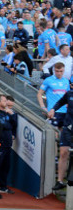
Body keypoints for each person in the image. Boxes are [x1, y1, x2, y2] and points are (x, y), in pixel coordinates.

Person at [40, 63, 70, 191]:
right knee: (54, 135)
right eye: (57, 71)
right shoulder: (48, 80)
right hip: (53, 111)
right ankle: (54, 159)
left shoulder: (66, 81)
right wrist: (43, 107)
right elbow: (39, 94)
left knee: (63, 136)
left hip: (66, 114)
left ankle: (61, 161)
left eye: (61, 71)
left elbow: (67, 98)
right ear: (54, 70)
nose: (59, 73)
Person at [0, 94, 17, 194]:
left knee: (5, 166)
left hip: (8, 144)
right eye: (4, 100)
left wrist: (12, 115)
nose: (6, 102)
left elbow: (14, 125)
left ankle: (3, 186)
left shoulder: (8, 113)